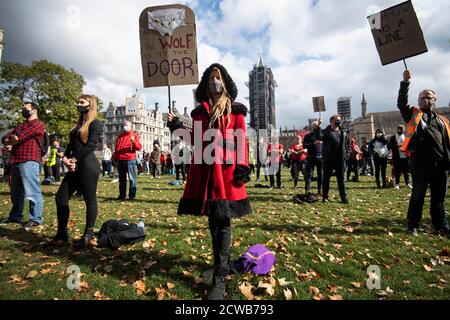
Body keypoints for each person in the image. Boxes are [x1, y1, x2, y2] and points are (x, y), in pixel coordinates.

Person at [167, 63, 252, 300]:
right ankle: (218, 265)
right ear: (206, 84)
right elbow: (194, 137)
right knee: (213, 221)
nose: (215, 82)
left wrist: (242, 166)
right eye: (211, 79)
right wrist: (176, 125)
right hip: (204, 170)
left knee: (223, 221)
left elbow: (241, 139)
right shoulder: (200, 111)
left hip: (226, 171)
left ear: (224, 82)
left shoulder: (236, 110)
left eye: (218, 78)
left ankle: (220, 277)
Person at [397, 69, 450, 236]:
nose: (425, 99)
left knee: (439, 198)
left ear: (434, 100)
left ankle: (440, 225)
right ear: (418, 100)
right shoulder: (414, 115)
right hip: (420, 164)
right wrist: (405, 82)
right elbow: (401, 103)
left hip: (441, 165)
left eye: (429, 97)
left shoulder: (442, 120)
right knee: (418, 196)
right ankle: (413, 225)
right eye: (422, 97)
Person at [52, 95, 103, 246]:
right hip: (74, 166)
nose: (78, 104)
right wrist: (66, 159)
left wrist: (74, 160)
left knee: (90, 199)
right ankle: (61, 233)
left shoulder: (95, 123)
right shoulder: (78, 125)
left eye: (82, 102)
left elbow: (90, 145)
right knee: (60, 198)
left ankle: (88, 233)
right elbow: (71, 146)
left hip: (88, 166)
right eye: (78, 102)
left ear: (90, 105)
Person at [0, 102, 45, 230]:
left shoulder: (38, 124)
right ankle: (15, 216)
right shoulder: (21, 125)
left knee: (32, 191)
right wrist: (11, 139)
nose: (23, 110)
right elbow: (5, 138)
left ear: (34, 110)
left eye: (25, 109)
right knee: (16, 192)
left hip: (29, 160)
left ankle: (35, 219)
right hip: (16, 161)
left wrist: (14, 139)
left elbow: (20, 137)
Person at [321, 115, 351, 203]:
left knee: (341, 178)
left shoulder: (343, 132)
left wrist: (347, 155)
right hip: (328, 158)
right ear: (331, 121)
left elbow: (348, 144)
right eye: (337, 120)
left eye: (339, 120)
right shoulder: (326, 131)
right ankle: (325, 196)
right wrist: (319, 125)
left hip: (340, 158)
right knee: (326, 178)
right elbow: (319, 136)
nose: (338, 121)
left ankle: (343, 197)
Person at [114, 120, 142, 200]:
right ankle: (122, 195)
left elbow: (139, 148)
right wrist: (115, 158)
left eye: (126, 125)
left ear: (130, 127)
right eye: (123, 125)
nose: (124, 127)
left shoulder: (134, 136)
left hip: (130, 160)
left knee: (132, 178)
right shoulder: (120, 136)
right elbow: (117, 148)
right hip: (120, 159)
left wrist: (133, 142)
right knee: (122, 179)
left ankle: (132, 196)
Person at [388, 125, 411, 190]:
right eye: (399, 129)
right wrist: (398, 145)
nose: (400, 130)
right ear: (397, 129)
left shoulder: (406, 136)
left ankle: (407, 183)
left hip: (405, 156)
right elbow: (390, 145)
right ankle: (397, 184)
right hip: (396, 156)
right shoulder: (393, 137)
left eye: (402, 129)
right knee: (397, 171)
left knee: (406, 171)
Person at [303, 120, 323, 195]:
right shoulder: (307, 136)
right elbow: (305, 146)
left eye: (317, 126)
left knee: (320, 174)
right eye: (315, 125)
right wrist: (313, 143)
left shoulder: (321, 135)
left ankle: (319, 190)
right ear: (312, 126)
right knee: (309, 174)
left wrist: (320, 124)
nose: (316, 127)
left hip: (320, 157)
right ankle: (307, 190)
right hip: (311, 157)